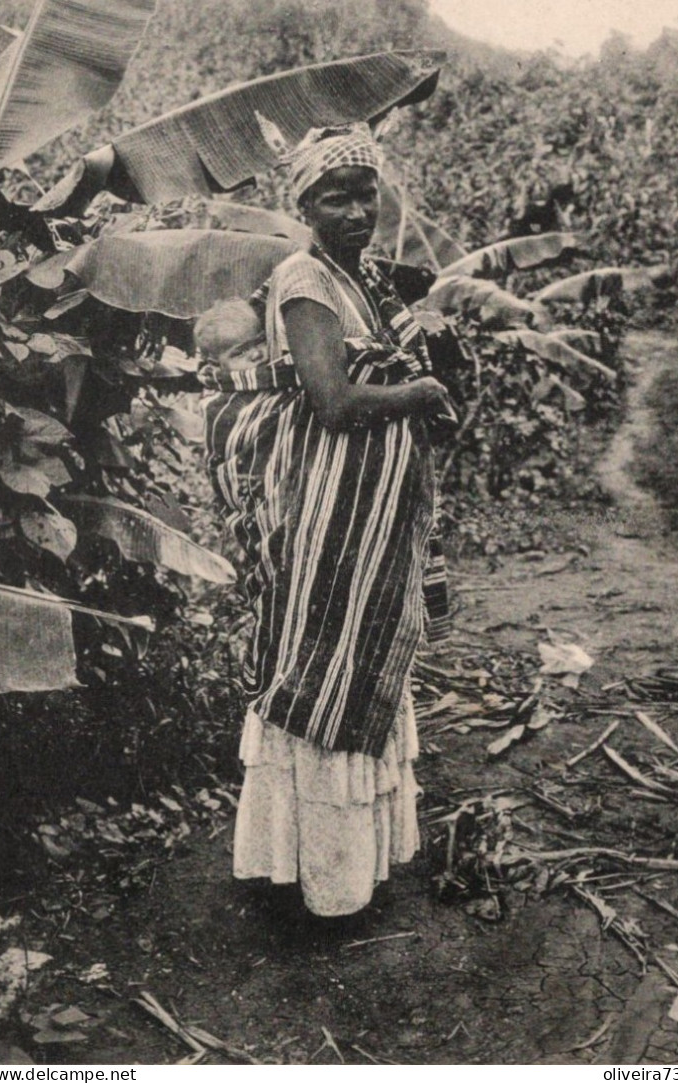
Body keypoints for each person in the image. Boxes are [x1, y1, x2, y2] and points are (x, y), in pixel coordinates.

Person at [201, 122, 454, 918]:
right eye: (333, 197)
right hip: (330, 512)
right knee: (323, 659)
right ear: (303, 204)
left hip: (369, 516)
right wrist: (413, 395)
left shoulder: (366, 278)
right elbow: (334, 401)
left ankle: (350, 870)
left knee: (361, 651)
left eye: (364, 191)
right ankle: (314, 880)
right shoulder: (304, 277)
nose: (354, 210)